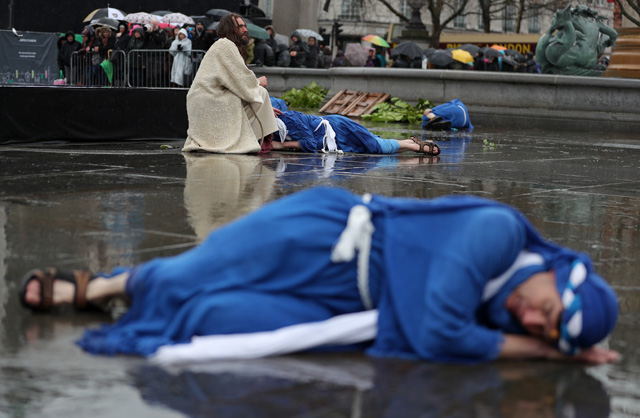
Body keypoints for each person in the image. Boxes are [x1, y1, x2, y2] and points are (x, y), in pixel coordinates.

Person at [19, 186, 619, 365]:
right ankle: (108, 285)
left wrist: (553, 345)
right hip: (324, 238)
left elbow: (442, 329)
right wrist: (544, 355)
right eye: (552, 311)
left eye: (545, 332)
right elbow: (435, 330)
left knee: (219, 319)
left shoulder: (509, 305)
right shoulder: (499, 231)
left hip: (342, 302)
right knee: (199, 270)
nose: (534, 322)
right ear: (563, 277)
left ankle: (144, 289)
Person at [182, 13, 278, 154]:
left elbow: (235, 80)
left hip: (209, 97)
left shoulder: (226, 45)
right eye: (240, 26)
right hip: (209, 99)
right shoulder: (225, 45)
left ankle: (256, 139)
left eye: (244, 26)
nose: (245, 29)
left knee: (258, 97)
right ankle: (260, 142)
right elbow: (240, 80)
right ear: (229, 29)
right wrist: (258, 82)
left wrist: (266, 106)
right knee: (261, 93)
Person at [270, 109, 440, 155]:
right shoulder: (279, 125)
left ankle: (416, 146)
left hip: (339, 129)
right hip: (336, 134)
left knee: (374, 146)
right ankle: (411, 143)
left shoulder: (287, 120)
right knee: (372, 145)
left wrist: (280, 145)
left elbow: (309, 144)